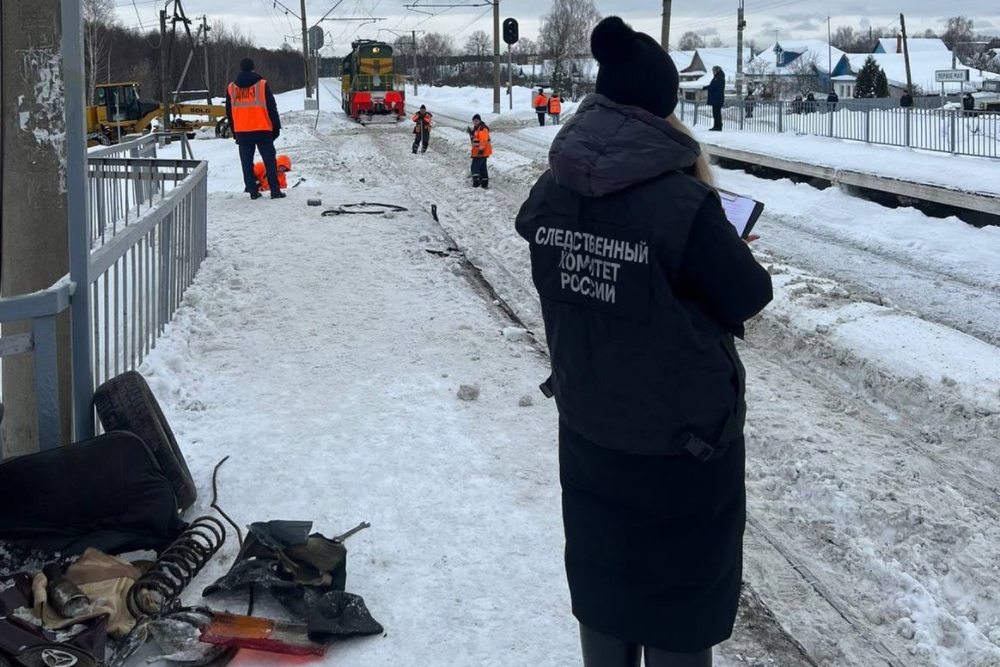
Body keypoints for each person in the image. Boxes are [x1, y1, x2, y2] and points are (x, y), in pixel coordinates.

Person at [515, 15, 772, 667]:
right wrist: (717, 248)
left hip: (590, 430)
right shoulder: (682, 203)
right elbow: (747, 295)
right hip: (682, 450)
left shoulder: (552, 190)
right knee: (677, 604)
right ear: (664, 108)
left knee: (605, 585)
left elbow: (554, 242)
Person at [225, 58, 284, 200]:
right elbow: (272, 108)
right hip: (262, 129)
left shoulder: (231, 87)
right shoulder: (262, 85)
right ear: (253, 68)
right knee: (269, 161)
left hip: (242, 131)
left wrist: (234, 130)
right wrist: (276, 128)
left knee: (246, 162)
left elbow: (229, 112)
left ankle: (252, 191)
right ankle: (275, 191)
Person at [466, 114, 492, 188]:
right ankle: (484, 183)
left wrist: (480, 151)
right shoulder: (478, 128)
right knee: (482, 167)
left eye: (476, 121)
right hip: (481, 152)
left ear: (479, 120)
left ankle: (476, 182)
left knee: (474, 167)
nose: (475, 122)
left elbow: (483, 141)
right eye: (474, 121)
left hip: (481, 152)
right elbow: (475, 138)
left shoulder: (482, 129)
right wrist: (471, 132)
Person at [705, 65, 725, 130]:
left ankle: (718, 126)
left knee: (716, 113)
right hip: (716, 98)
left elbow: (713, 86)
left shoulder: (719, 77)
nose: (713, 72)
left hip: (717, 98)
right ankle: (716, 126)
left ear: (717, 71)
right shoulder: (718, 77)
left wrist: (706, 88)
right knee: (715, 112)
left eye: (713, 70)